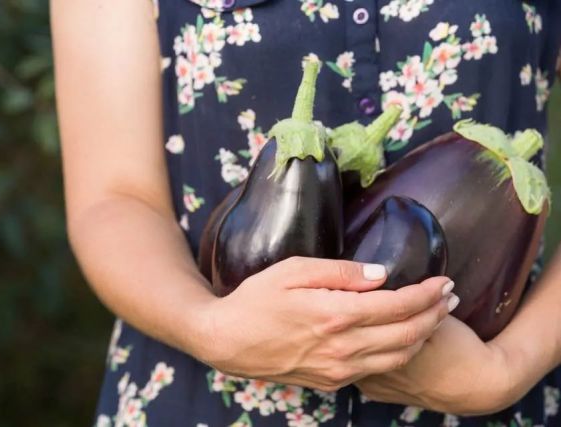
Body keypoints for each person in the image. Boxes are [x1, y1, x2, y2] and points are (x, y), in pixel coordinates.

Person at [50, 0, 561, 425]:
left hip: (481, 405)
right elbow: (114, 197)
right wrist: (207, 327)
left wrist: (504, 371)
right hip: (198, 396)